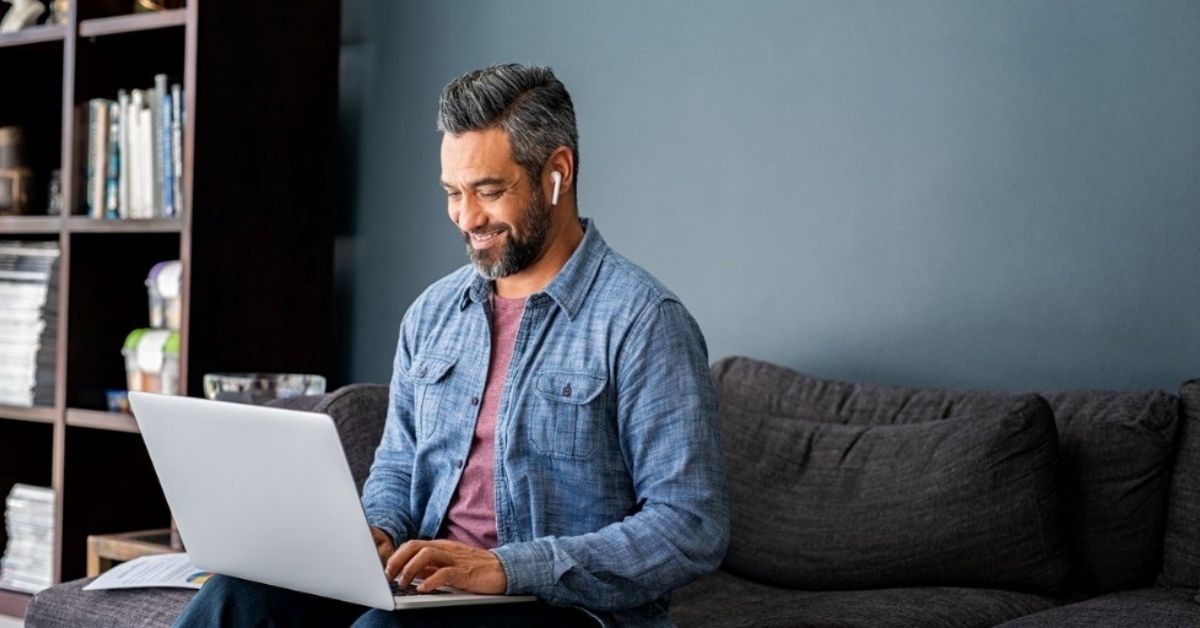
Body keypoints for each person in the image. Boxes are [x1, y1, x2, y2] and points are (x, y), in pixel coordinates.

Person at [174, 63, 728, 628]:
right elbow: (396, 466)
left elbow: (690, 526)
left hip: (564, 606)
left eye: (489, 192)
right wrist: (378, 532)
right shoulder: (433, 314)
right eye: (453, 193)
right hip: (433, 589)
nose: (467, 218)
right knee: (236, 598)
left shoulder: (642, 321)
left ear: (557, 172)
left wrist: (505, 568)